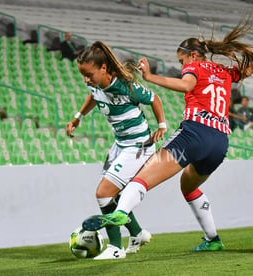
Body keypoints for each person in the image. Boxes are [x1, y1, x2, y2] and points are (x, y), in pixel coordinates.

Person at [82, 19, 253, 251]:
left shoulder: (195, 67)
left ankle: (120, 213)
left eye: (181, 61)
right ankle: (212, 239)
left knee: (143, 177)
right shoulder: (224, 72)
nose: (182, 66)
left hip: (194, 134)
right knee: (188, 186)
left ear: (192, 55)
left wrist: (151, 77)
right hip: (220, 142)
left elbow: (187, 85)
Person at [66, 41, 167, 260]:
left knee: (104, 193)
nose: (86, 80)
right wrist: (78, 117)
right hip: (119, 144)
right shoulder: (94, 84)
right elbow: (94, 95)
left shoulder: (125, 85)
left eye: (89, 74)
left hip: (138, 146)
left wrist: (162, 125)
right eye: (83, 75)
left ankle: (115, 248)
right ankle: (137, 233)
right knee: (112, 197)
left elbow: (154, 99)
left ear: (104, 69)